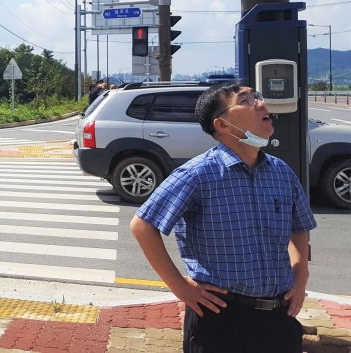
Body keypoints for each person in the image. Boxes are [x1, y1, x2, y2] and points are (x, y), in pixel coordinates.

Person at [130, 82, 317, 353]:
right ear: (224, 125)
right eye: (246, 100)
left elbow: (299, 227)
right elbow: (142, 225)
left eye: (258, 97)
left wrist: (300, 278)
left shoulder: (281, 172)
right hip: (221, 320)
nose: (261, 104)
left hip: (279, 318)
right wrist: (181, 287)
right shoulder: (197, 175)